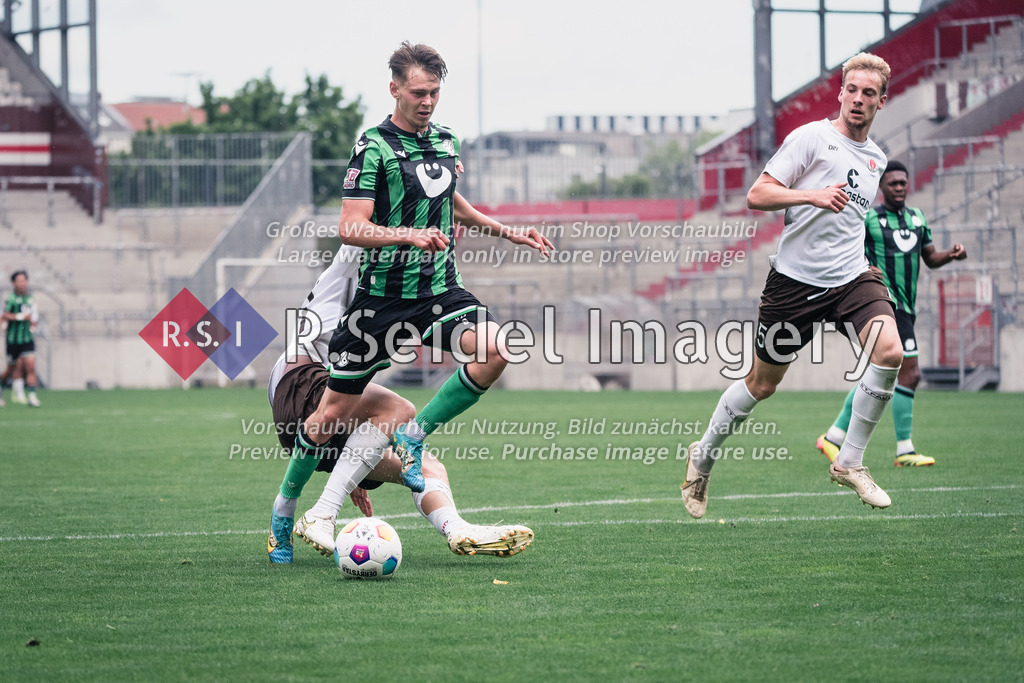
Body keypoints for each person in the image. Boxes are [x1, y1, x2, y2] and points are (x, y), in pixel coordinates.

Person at [290, 41, 552, 549]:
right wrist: (407, 234)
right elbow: (350, 227)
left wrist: (508, 231)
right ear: (394, 89)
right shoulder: (372, 145)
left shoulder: (447, 141)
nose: (428, 101)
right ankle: (291, 512)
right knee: (330, 417)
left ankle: (413, 437)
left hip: (438, 291)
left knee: (497, 347)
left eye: (434, 92)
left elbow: (452, 204)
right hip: (381, 301)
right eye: (418, 92)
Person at [681, 52, 902, 518]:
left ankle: (851, 461)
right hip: (793, 285)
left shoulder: (876, 158)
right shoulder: (810, 138)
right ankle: (702, 456)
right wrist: (811, 195)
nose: (858, 100)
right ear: (840, 94)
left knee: (890, 353)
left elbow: (852, 221)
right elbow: (757, 195)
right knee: (761, 385)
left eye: (869, 93)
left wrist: (868, 266)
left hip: (850, 278)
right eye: (852, 90)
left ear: (883, 101)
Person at [266, 245, 534, 564]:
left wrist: (351, 468)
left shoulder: (405, 294)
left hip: (333, 414)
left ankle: (457, 529)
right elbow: (361, 221)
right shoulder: (356, 260)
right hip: (301, 380)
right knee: (398, 410)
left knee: (428, 468)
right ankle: (303, 512)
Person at [817, 160, 967, 467]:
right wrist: (865, 267)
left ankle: (832, 437)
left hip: (908, 307)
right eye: (893, 183)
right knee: (911, 374)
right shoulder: (869, 219)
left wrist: (949, 256)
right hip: (885, 303)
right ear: (881, 187)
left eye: (903, 182)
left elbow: (930, 257)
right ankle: (904, 450)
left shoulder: (917, 218)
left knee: (879, 373)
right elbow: (847, 250)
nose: (899, 187)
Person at [2, 271, 41, 408]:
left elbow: (34, 319)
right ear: (14, 283)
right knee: (12, 369)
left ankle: (32, 396)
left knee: (30, 366)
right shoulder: (9, 299)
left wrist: (33, 326)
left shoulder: (31, 300)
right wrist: (19, 317)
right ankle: (2, 388)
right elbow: (3, 316)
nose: (22, 283)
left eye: (24, 280)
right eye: (19, 281)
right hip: (13, 340)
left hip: (27, 339)